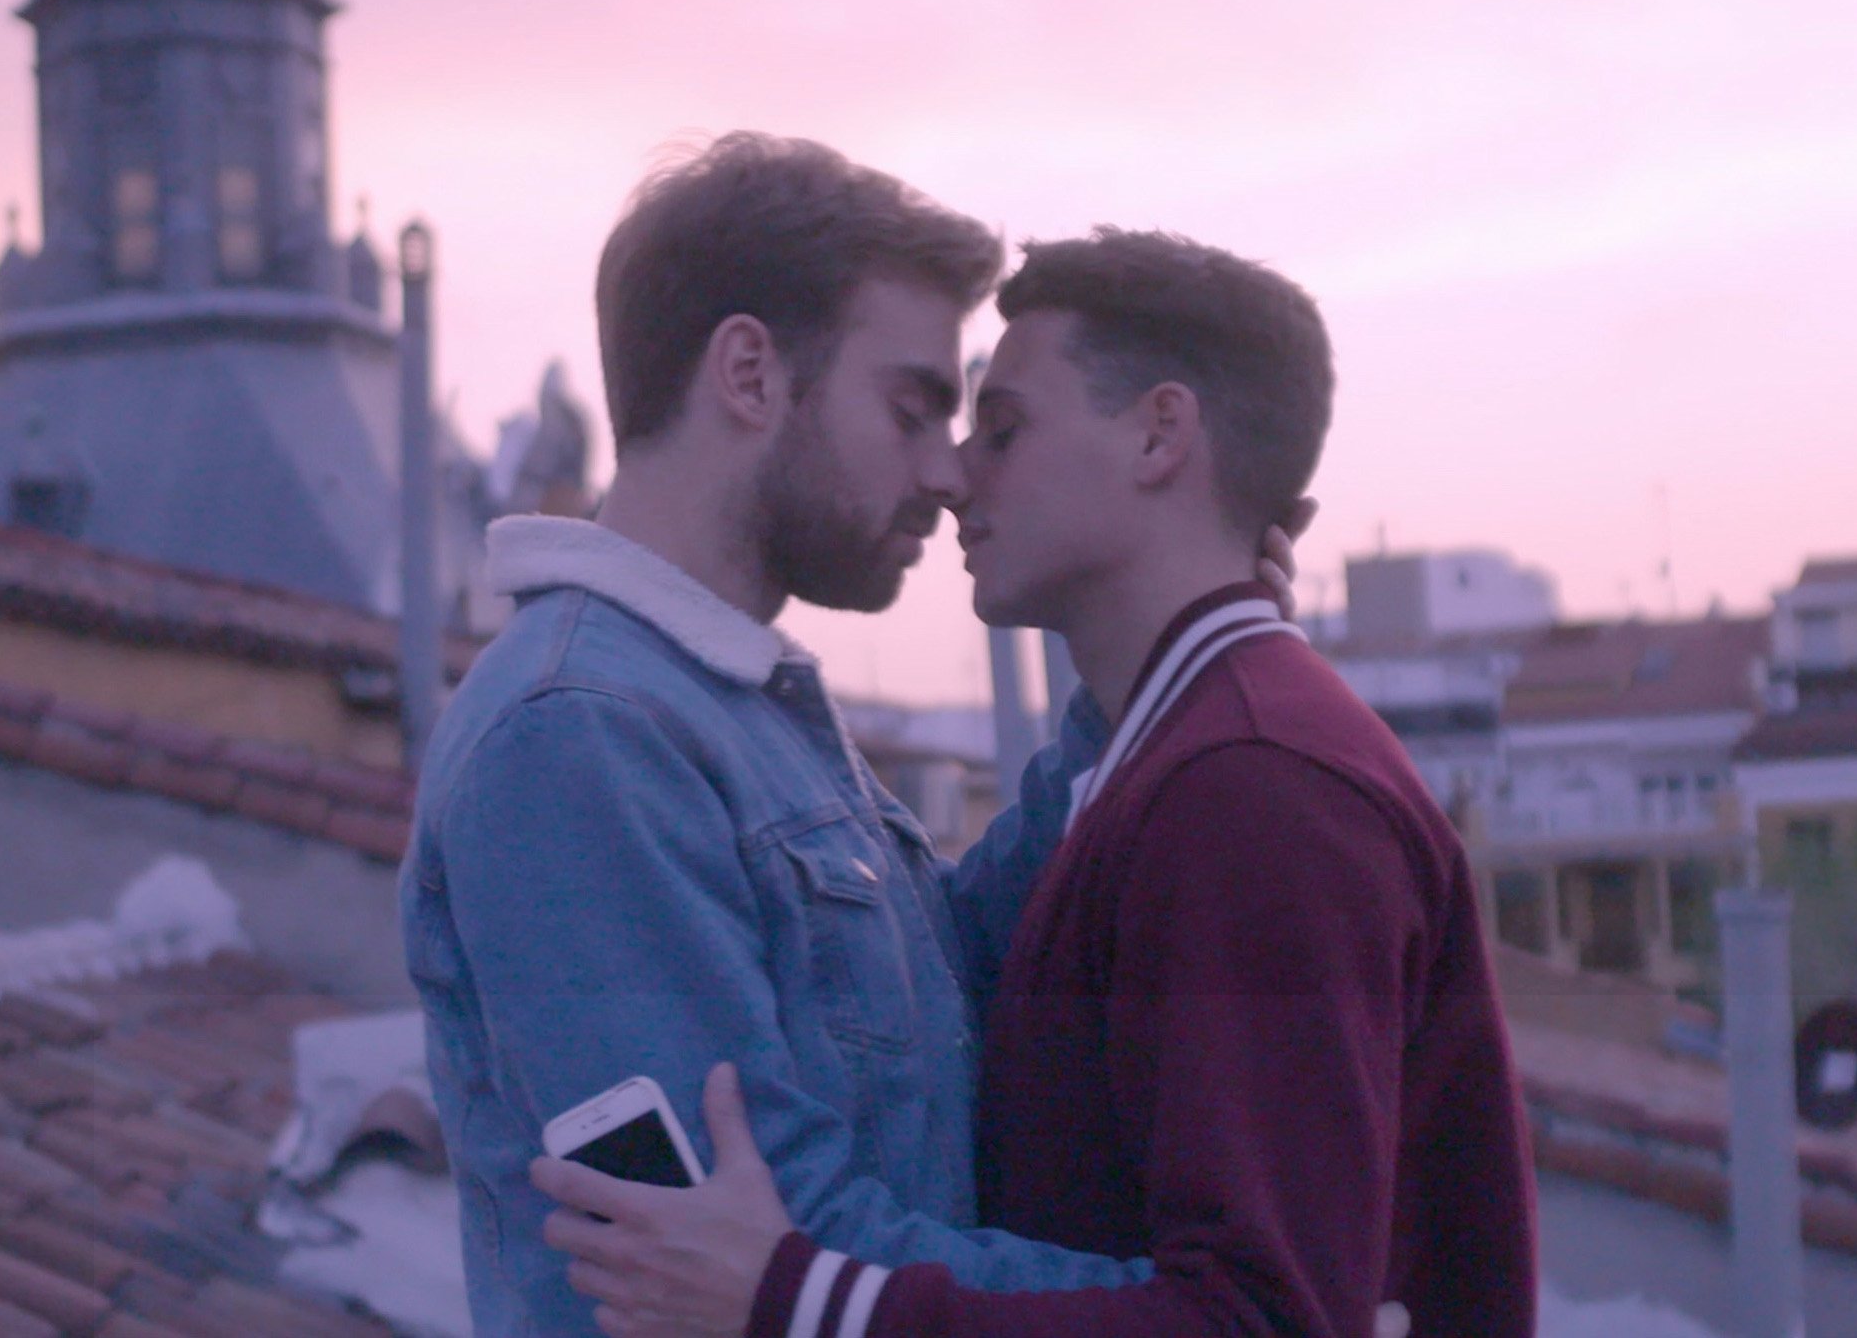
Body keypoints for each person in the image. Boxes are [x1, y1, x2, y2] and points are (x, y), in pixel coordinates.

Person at [534, 230, 1539, 1338]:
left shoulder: (1255, 788)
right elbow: (948, 985)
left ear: (1160, 434)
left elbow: (1260, 1319)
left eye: (1002, 430)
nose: (955, 473)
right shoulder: (1187, 758)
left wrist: (804, 1301)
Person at [402, 136, 1298, 1335]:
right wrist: (1217, 1315)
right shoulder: (581, 739)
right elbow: (773, 1247)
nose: (948, 473)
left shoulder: (720, 700)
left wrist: (1142, 689)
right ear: (751, 374)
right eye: (914, 407)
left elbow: (953, 1002)